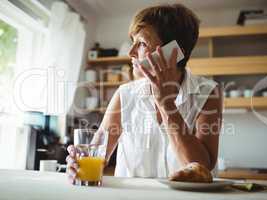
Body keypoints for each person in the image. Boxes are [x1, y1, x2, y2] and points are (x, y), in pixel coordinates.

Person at [66, 3, 222, 183]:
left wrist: (166, 104)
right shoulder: (124, 95)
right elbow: (96, 154)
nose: (131, 53)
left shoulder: (208, 93)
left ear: (173, 52)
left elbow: (202, 167)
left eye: (141, 43)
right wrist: (78, 164)